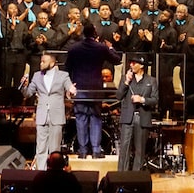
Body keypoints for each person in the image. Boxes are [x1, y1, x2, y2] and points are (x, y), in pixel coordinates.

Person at [65, 24, 122, 159]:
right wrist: (111, 47)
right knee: (96, 118)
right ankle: (96, 151)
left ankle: (83, 151)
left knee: (81, 118)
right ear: (95, 33)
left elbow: (67, 68)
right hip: (95, 88)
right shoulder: (101, 47)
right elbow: (117, 60)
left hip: (79, 88)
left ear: (83, 33)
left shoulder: (74, 48)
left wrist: (69, 85)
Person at [21, 53, 76, 170]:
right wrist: (24, 86)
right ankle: (41, 172)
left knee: (54, 148)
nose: (41, 63)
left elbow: (69, 88)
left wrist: (71, 91)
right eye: (41, 61)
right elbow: (28, 93)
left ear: (52, 63)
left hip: (56, 115)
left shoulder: (63, 75)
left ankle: (54, 172)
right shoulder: (36, 76)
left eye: (43, 61)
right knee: (41, 147)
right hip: (42, 116)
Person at [117, 56, 158, 171]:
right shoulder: (126, 78)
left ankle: (136, 178)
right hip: (128, 118)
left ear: (141, 65)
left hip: (142, 117)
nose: (131, 65)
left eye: (134, 63)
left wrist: (142, 100)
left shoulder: (151, 80)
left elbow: (155, 99)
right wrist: (126, 82)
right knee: (124, 149)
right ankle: (121, 176)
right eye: (130, 63)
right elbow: (119, 96)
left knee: (140, 150)